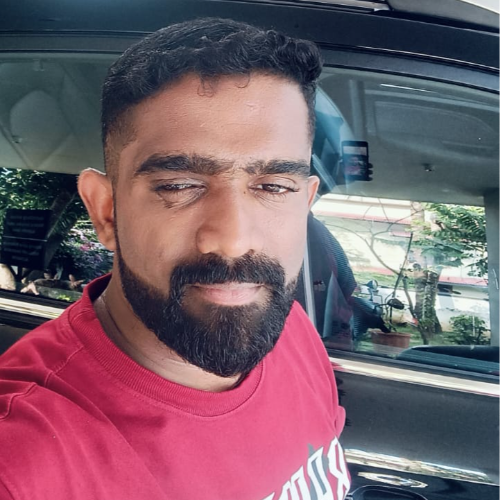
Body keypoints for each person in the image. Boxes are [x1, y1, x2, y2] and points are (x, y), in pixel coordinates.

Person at [0, 18, 350, 500]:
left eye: (273, 187)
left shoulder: (290, 327)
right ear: (106, 212)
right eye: (180, 186)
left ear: (305, 203)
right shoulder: (23, 463)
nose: (232, 240)